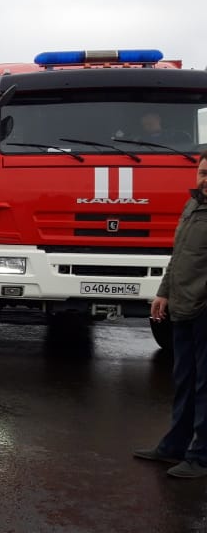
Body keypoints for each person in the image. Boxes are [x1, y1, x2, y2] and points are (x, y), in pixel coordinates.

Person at [134, 152, 207, 478]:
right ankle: (174, 446)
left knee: (206, 385)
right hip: (183, 306)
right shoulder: (193, 206)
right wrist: (164, 292)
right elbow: (179, 256)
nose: (206, 180)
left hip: (204, 309)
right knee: (184, 380)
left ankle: (201, 456)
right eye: (203, 173)